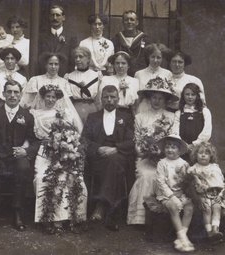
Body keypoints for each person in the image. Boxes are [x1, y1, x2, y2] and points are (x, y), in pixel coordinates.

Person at [0, 80, 39, 232]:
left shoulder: (27, 116)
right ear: (3, 94)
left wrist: (26, 151)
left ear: (21, 95)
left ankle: (17, 211)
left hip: (17, 155)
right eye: (9, 92)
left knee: (23, 167)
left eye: (16, 92)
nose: (12, 95)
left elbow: (34, 141)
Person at [32, 84, 87, 234]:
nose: (50, 99)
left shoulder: (66, 113)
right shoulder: (35, 113)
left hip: (65, 151)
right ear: (42, 98)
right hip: (44, 151)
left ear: (58, 99)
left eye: (53, 97)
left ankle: (73, 218)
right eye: (47, 96)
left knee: (73, 177)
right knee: (43, 177)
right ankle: (49, 218)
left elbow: (75, 132)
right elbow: (31, 137)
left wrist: (68, 145)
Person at [127, 76, 179, 225]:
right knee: (147, 175)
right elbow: (137, 141)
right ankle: (142, 218)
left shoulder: (171, 116)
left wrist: (162, 152)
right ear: (149, 99)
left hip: (166, 157)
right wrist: (144, 151)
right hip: (145, 158)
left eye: (160, 98)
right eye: (154, 97)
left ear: (166, 100)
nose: (156, 101)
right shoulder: (140, 117)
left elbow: (173, 139)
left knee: (166, 173)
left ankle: (165, 220)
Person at [82, 85, 134, 230]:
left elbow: (131, 141)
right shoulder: (93, 117)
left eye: (113, 97)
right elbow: (84, 140)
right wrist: (98, 148)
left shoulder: (126, 117)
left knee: (114, 162)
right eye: (106, 97)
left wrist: (115, 148)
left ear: (118, 99)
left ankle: (100, 206)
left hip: (119, 154)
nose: (109, 100)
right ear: (101, 99)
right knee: (112, 165)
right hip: (98, 155)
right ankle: (112, 212)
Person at [20, 52, 83, 132]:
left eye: (56, 64)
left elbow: (67, 106)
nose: (53, 67)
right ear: (45, 65)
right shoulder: (35, 80)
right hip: (39, 121)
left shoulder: (64, 82)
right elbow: (26, 102)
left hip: (58, 122)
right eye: (50, 64)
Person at [155, 135, 195, 252]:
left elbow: (186, 183)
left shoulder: (184, 164)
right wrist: (172, 196)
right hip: (165, 194)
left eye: (173, 147)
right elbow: (161, 182)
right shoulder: (162, 163)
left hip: (180, 193)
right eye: (167, 147)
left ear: (180, 150)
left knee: (189, 207)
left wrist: (181, 194)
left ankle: (180, 238)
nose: (170, 149)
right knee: (173, 207)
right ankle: (184, 239)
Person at [187, 142, 225, 241]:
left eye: (206, 153)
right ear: (196, 155)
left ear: (211, 156)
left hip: (215, 193)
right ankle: (209, 232)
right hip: (202, 194)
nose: (203, 155)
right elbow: (190, 179)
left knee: (217, 207)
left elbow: (221, 183)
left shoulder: (214, 167)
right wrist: (196, 177)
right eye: (200, 153)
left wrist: (220, 195)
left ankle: (215, 229)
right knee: (206, 209)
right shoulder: (194, 168)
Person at [174, 83, 212, 160]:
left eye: (193, 94)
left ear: (197, 96)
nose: (190, 97)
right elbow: (175, 131)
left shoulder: (204, 111)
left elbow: (207, 132)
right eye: (187, 94)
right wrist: (184, 146)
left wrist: (194, 144)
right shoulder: (179, 113)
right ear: (183, 96)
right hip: (183, 149)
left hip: (200, 149)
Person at [39, 4, 78, 76]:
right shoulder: (42, 37)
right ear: (49, 17)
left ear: (63, 17)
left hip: (65, 76)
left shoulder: (71, 37)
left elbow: (73, 60)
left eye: (58, 15)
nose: (55, 18)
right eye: (52, 15)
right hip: (45, 76)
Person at [66, 46, 101, 124]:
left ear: (88, 59)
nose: (78, 59)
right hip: (75, 111)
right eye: (76, 57)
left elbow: (99, 98)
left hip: (92, 110)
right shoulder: (69, 77)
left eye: (81, 57)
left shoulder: (97, 76)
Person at [134, 43, 172, 113]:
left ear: (162, 58)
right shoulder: (139, 74)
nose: (155, 60)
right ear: (148, 57)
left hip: (160, 109)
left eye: (158, 57)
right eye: (152, 57)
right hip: (144, 108)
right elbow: (137, 98)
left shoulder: (167, 74)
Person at [111, 10, 151, 76]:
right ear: (123, 22)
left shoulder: (145, 39)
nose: (129, 22)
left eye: (132, 20)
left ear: (137, 22)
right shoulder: (116, 40)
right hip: (121, 74)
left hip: (140, 75)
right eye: (126, 20)